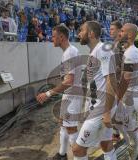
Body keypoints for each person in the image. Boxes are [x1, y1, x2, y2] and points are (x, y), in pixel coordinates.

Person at [36, 24, 83, 160]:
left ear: (62, 37)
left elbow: (69, 81)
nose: (52, 39)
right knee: (63, 124)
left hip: (73, 96)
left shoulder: (69, 52)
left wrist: (48, 93)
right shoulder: (69, 51)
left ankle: (77, 158)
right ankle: (62, 155)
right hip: (69, 95)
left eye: (54, 36)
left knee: (71, 129)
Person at [72, 21, 117, 160]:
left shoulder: (103, 49)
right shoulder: (94, 52)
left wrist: (107, 112)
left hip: (101, 109)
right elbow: (95, 84)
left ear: (91, 33)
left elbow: (111, 81)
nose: (78, 34)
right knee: (106, 144)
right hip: (97, 108)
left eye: (81, 30)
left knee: (78, 150)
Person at [117, 23, 138, 159]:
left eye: (122, 31)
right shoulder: (127, 51)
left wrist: (116, 98)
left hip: (131, 97)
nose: (120, 33)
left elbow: (126, 79)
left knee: (131, 129)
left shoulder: (132, 52)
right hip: (127, 96)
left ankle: (134, 155)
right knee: (122, 124)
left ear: (130, 35)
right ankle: (134, 150)